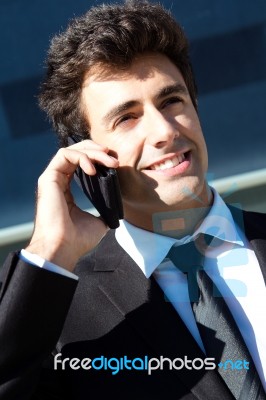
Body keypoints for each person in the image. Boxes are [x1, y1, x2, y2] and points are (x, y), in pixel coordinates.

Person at [0, 1, 265, 399]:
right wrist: (50, 251)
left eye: (171, 101)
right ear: (86, 153)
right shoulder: (56, 318)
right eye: (127, 117)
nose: (163, 130)